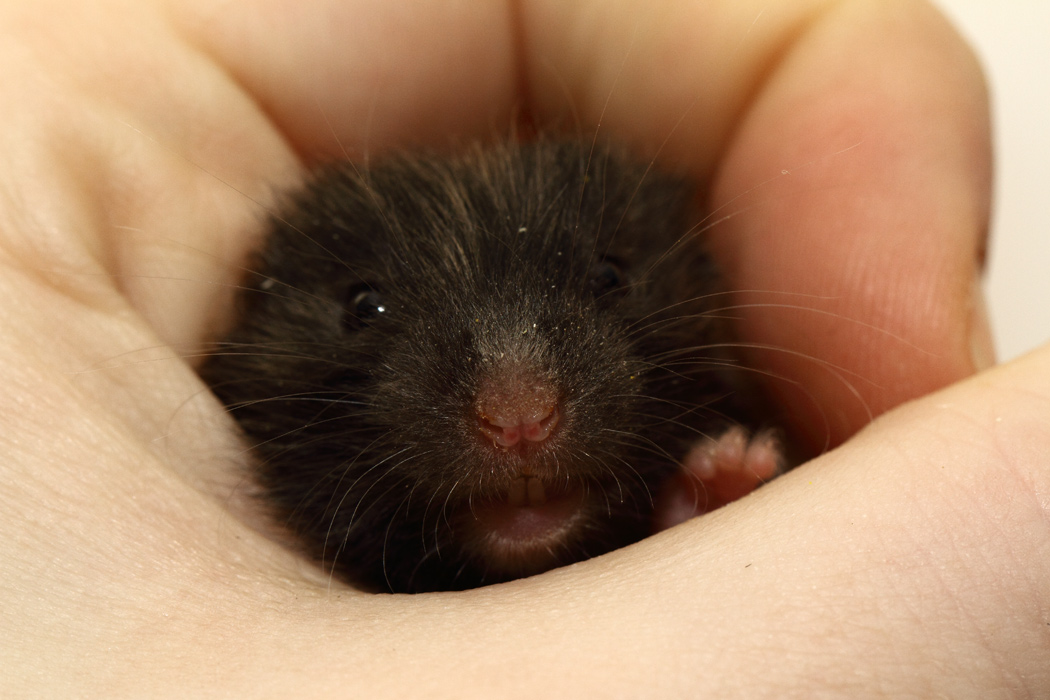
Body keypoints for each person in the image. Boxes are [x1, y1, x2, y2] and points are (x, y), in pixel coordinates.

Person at [3, 0, 1045, 695]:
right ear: (253, 320)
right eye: (369, 309)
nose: (518, 410)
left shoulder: (715, 403)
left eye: (598, 284)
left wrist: (712, 506)